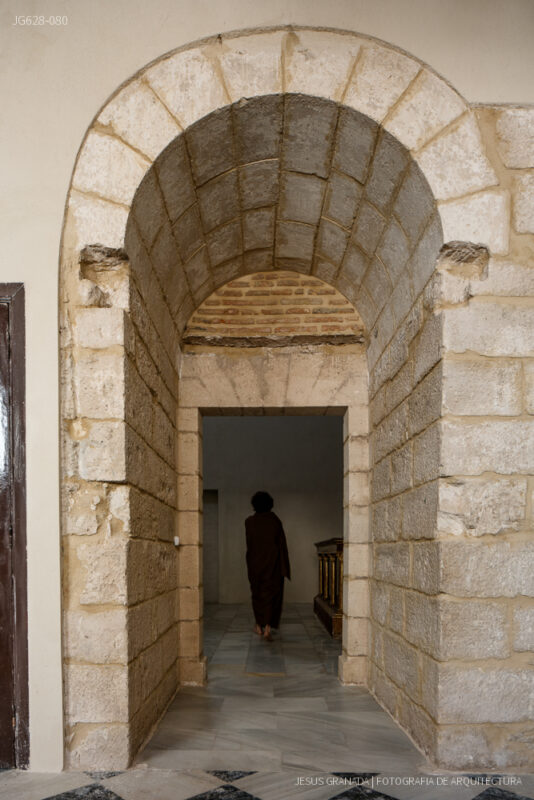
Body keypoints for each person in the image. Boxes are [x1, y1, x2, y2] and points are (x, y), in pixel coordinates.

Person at [245, 491, 291, 642]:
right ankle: (268, 628)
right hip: (273, 566)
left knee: (257, 594)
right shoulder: (274, 521)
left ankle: (259, 625)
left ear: (254, 504)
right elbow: (281, 545)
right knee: (272, 596)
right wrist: (284, 568)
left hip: (255, 565)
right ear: (270, 504)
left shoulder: (249, 522)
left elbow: (250, 545)